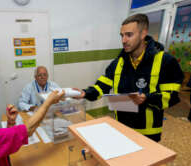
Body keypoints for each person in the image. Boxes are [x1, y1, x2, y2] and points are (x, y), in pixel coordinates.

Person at [75, 14, 183, 142]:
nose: (124, 40)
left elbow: (172, 97)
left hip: (148, 133)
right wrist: (84, 93)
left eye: (129, 35)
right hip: (121, 127)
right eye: (122, 35)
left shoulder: (165, 61)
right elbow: (101, 87)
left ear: (143, 34)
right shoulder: (117, 63)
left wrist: (147, 98)